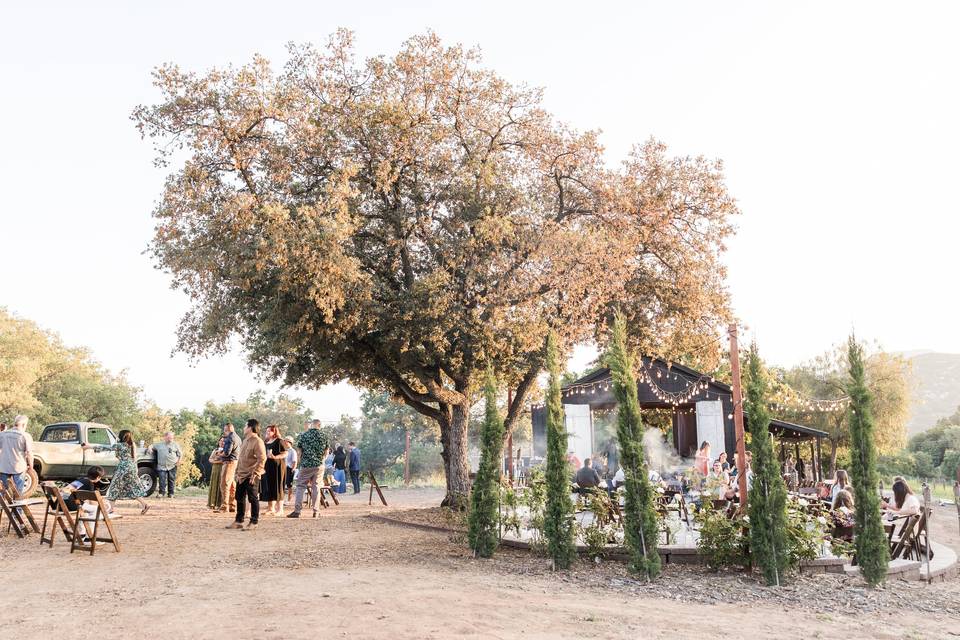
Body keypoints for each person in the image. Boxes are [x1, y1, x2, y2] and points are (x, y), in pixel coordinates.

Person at [82, 429, 149, 515]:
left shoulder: (119, 445)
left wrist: (88, 447)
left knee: (114, 487)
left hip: (123, 468)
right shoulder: (132, 445)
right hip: (132, 467)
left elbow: (105, 447)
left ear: (121, 436)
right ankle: (145, 504)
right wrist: (135, 470)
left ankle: (110, 509)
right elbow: (135, 458)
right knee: (132, 487)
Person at [227, 419, 266, 531]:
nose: (244, 428)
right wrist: (237, 472)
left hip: (251, 475)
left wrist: (256, 473)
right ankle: (239, 521)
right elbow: (241, 458)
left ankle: (254, 522)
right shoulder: (245, 441)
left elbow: (262, 458)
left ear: (250, 427)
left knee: (253, 498)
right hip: (241, 475)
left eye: (245, 426)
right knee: (239, 497)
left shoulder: (258, 441)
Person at [287, 419, 329, 518]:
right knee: (316, 488)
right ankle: (316, 511)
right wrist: (322, 460)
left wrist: (301, 462)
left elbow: (299, 451)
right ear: (319, 425)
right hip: (319, 465)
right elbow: (326, 452)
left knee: (301, 487)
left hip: (306, 465)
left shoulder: (304, 435)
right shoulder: (324, 436)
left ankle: (297, 511)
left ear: (312, 425)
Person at [0, 415, 33, 495]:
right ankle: (18, 507)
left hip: (4, 466)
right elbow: (29, 453)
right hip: (18, 466)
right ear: (24, 425)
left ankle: (2, 505)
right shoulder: (25, 436)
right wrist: (31, 467)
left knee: (3, 490)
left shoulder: (2, 434)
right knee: (19, 491)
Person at [260, 424, 288, 516]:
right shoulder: (266, 441)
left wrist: (275, 457)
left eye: (270, 431)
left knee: (278, 486)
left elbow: (285, 453)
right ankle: (270, 508)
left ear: (274, 432)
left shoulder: (279, 441)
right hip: (267, 466)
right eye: (267, 431)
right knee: (269, 486)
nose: (267, 432)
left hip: (278, 467)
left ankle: (280, 509)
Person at [149, 431, 182, 499]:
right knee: (162, 480)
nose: (171, 439)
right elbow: (151, 446)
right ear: (165, 437)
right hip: (162, 466)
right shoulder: (159, 444)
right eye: (169, 437)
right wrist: (150, 448)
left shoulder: (175, 444)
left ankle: (171, 493)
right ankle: (161, 493)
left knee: (171, 479)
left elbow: (180, 454)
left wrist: (179, 461)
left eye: (172, 438)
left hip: (172, 465)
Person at [218, 423, 240, 513]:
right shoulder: (238, 437)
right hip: (235, 462)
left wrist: (219, 454)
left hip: (228, 463)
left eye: (225, 430)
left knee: (224, 484)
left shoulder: (230, 438)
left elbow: (227, 453)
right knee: (231, 485)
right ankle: (232, 505)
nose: (224, 431)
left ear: (228, 429)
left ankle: (224, 506)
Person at [207, 438, 225, 510]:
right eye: (221, 441)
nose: (222, 442)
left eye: (224, 441)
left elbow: (224, 461)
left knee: (220, 485)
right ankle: (212, 503)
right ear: (218, 442)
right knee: (214, 485)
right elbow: (210, 459)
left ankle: (219, 503)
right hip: (215, 469)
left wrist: (218, 461)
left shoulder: (226, 451)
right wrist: (215, 461)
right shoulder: (215, 450)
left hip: (222, 469)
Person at [283, 435, 298, 505]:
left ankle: (289, 500)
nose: (285, 442)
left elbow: (294, 461)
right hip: (284, 469)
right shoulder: (284, 450)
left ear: (290, 442)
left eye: (286, 441)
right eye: (284, 441)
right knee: (282, 484)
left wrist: (293, 469)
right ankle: (282, 500)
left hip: (290, 469)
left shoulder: (293, 451)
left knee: (289, 485)